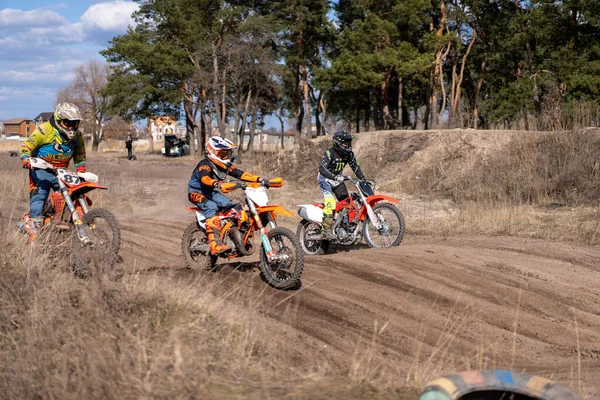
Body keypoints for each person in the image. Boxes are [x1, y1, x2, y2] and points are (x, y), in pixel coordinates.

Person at [188, 136, 270, 255]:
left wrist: (261, 179)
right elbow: (204, 178)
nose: (225, 157)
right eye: (222, 154)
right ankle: (214, 244)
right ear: (213, 151)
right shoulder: (204, 164)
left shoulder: (225, 165)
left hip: (210, 192)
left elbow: (241, 174)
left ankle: (229, 232)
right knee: (211, 206)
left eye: (227, 153)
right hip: (196, 192)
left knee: (231, 206)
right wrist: (216, 183)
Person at [20, 102, 86, 240]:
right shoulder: (45, 130)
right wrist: (26, 158)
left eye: (75, 123)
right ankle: (33, 224)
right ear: (59, 120)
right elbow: (27, 144)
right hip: (41, 168)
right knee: (41, 193)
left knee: (76, 191)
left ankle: (76, 219)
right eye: (68, 123)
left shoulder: (77, 136)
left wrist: (81, 170)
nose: (72, 127)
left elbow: (80, 154)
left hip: (62, 171)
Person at [317, 130, 366, 240]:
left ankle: (345, 227)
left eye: (349, 143)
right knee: (330, 203)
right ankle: (325, 231)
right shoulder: (329, 153)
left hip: (337, 181)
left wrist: (363, 179)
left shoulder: (349, 154)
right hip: (325, 180)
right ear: (338, 143)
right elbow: (322, 169)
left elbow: (355, 167)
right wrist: (334, 177)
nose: (348, 146)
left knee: (348, 204)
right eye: (345, 143)